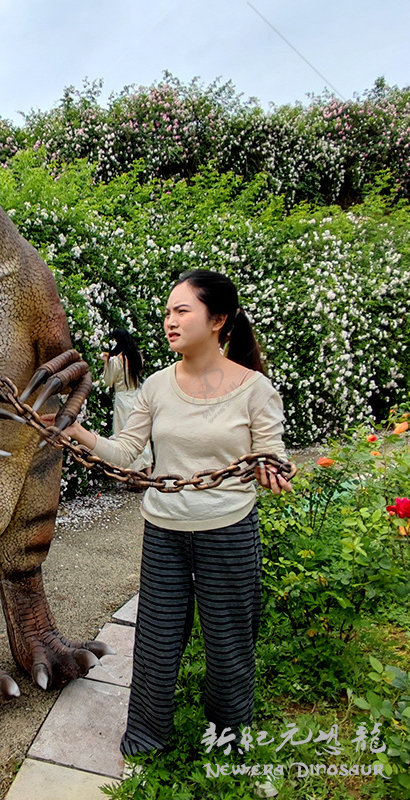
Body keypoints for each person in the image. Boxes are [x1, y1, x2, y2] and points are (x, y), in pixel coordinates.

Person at [44, 269, 293, 764]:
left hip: (228, 531)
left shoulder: (254, 389)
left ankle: (229, 736)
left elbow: (271, 451)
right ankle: (147, 736)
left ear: (218, 319)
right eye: (167, 312)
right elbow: (127, 450)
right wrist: (77, 433)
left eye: (183, 311)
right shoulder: (157, 386)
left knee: (228, 642)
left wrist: (269, 467)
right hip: (164, 532)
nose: (170, 321)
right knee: (156, 640)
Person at [101, 329, 151, 472]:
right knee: (141, 434)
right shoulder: (138, 357)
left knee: (125, 436)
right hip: (138, 396)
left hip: (123, 399)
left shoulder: (116, 361)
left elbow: (108, 381)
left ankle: (131, 473)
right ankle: (148, 470)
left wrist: (106, 363)